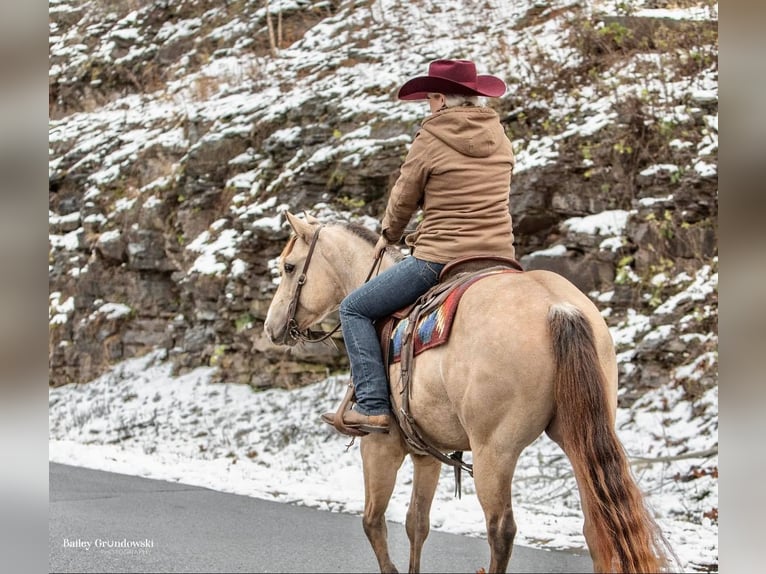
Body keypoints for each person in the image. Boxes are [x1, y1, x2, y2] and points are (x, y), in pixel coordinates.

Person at [322, 59, 517, 435]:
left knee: (354, 309)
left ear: (441, 100)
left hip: (440, 257)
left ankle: (373, 405)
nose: (428, 105)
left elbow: (404, 195)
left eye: (430, 98)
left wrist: (389, 234)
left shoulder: (431, 138)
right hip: (499, 257)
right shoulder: (500, 136)